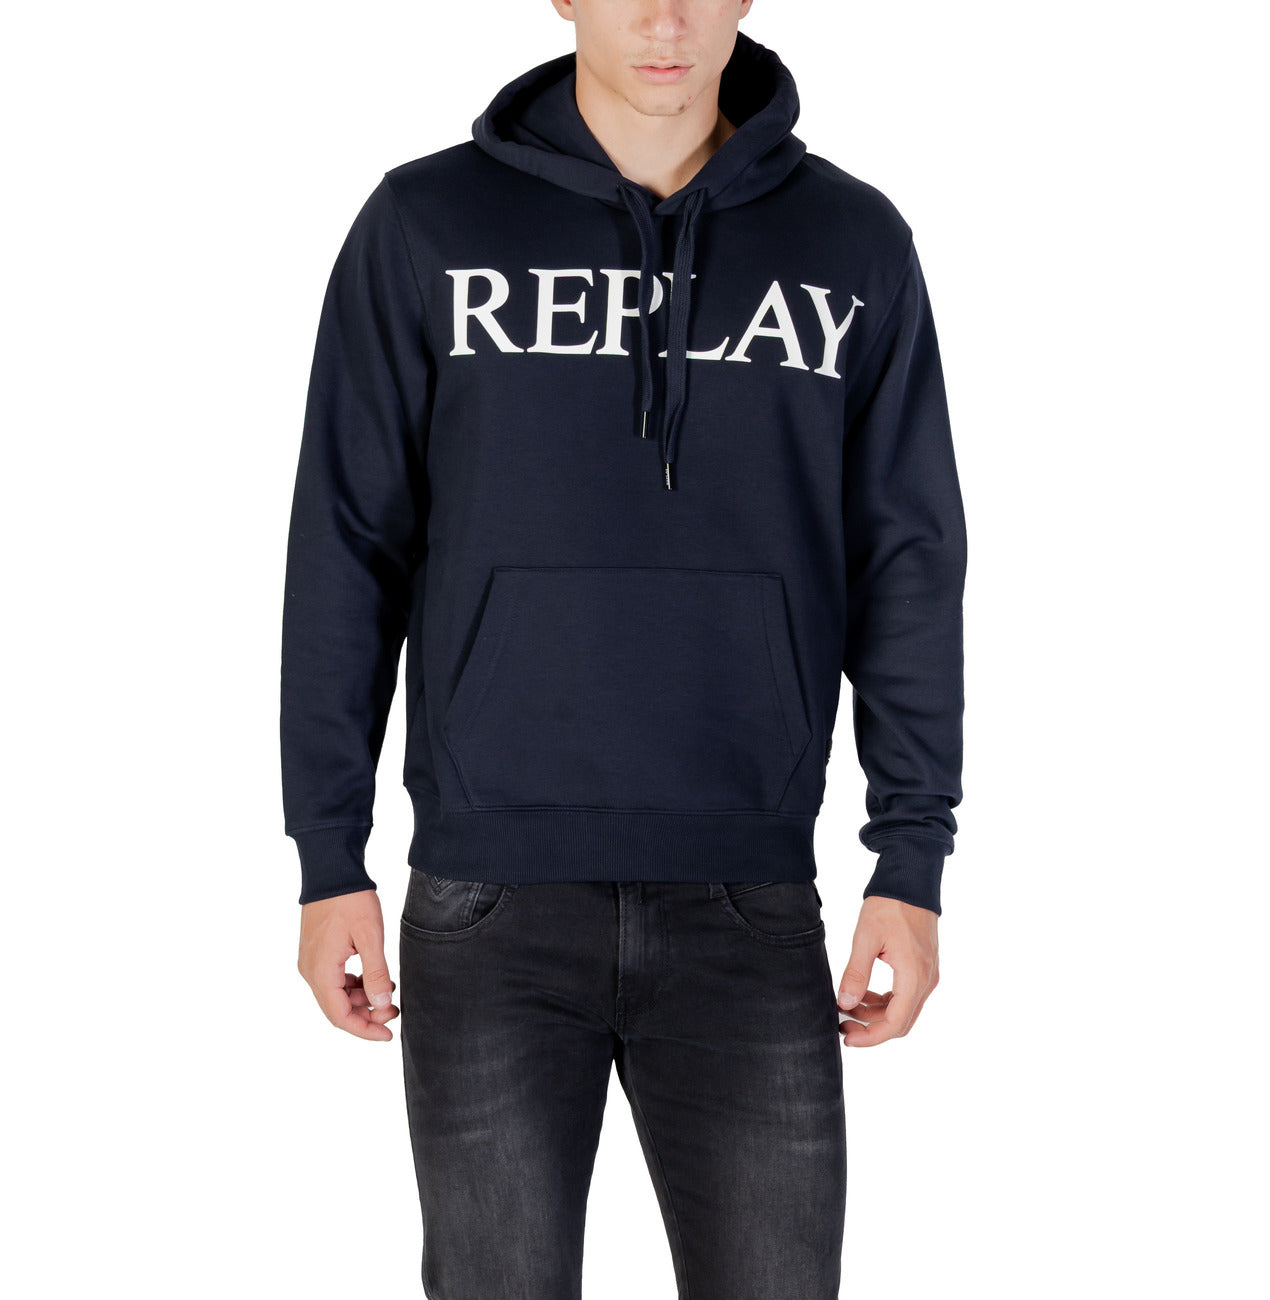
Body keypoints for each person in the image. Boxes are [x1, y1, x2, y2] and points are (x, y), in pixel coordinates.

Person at [281, 2, 966, 1296]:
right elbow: (347, 546)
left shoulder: (853, 241)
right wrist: (328, 856)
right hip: (488, 898)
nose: (665, 17)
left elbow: (908, 561)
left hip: (748, 899)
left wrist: (911, 858)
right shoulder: (424, 225)